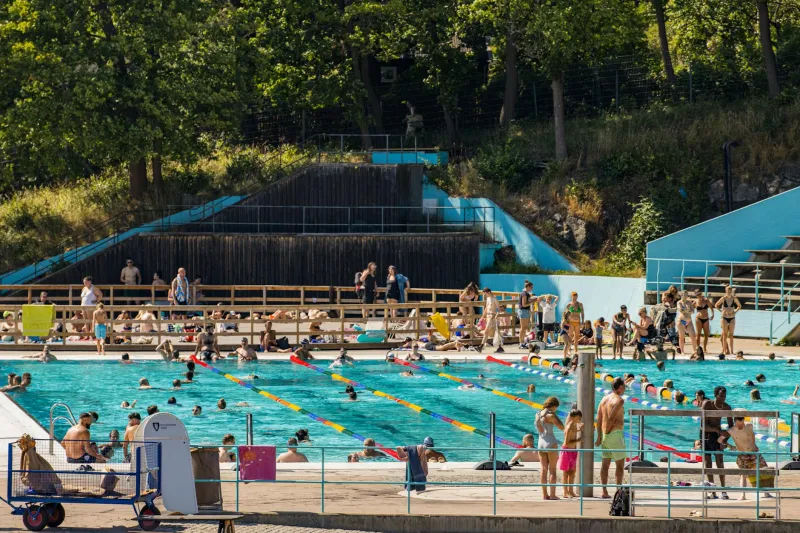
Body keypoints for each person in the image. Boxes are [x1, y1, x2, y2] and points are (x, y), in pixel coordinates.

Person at [720, 417, 774, 500]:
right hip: (742, 454)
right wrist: (730, 446)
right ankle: (743, 494)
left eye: (742, 423)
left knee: (763, 470)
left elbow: (752, 435)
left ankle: (766, 492)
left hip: (753, 453)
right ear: (735, 422)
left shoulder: (749, 426)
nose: (741, 425)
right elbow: (720, 440)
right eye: (739, 423)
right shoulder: (731, 430)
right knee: (743, 475)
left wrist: (754, 444)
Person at [700, 386, 733, 499]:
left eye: (724, 396)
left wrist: (724, 440)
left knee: (720, 462)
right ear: (715, 395)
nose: (723, 398)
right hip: (706, 434)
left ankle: (723, 490)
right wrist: (717, 430)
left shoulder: (727, 407)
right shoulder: (707, 404)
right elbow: (702, 425)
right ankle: (712, 490)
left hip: (717, 435)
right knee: (708, 462)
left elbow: (731, 427)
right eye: (721, 396)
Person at [596, 377, 626, 499]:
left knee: (605, 464)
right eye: (624, 386)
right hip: (614, 434)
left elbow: (599, 418)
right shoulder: (619, 400)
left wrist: (600, 436)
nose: (625, 389)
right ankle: (618, 492)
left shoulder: (603, 399)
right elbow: (611, 419)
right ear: (620, 387)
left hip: (604, 436)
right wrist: (608, 432)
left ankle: (604, 491)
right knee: (620, 465)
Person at [536, 396, 565, 500]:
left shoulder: (538, 414)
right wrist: (555, 415)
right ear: (554, 406)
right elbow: (562, 427)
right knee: (552, 470)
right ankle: (552, 495)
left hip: (540, 443)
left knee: (543, 469)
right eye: (556, 407)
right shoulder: (551, 415)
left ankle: (545, 495)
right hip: (550, 442)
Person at [558, 409, 583, 498]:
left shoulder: (574, 426)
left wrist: (580, 429)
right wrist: (579, 440)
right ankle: (565, 492)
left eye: (580, 417)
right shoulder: (569, 427)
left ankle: (571, 491)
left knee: (572, 472)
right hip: (567, 451)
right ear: (572, 417)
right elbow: (566, 443)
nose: (579, 419)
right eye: (578, 417)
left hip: (573, 451)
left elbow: (574, 434)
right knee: (566, 473)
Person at [715, 286, 742, 356]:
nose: (729, 292)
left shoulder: (734, 298)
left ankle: (732, 351)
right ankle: (724, 350)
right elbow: (716, 305)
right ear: (725, 291)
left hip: (732, 317)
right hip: (724, 317)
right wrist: (721, 311)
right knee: (724, 335)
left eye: (730, 291)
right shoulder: (723, 298)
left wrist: (735, 311)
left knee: (731, 335)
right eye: (728, 291)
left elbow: (739, 306)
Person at [480, 287, 503, 353]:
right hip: (488, 316)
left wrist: (496, 315)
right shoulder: (488, 298)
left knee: (486, 331)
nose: (485, 295)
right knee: (492, 332)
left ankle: (481, 346)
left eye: (486, 293)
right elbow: (486, 308)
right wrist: (483, 316)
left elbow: (499, 308)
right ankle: (499, 347)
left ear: (489, 292)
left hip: (492, 316)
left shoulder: (494, 298)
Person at [676, 290, 697, 356]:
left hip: (689, 321)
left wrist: (687, 310)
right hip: (681, 320)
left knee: (693, 335)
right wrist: (688, 310)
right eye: (684, 295)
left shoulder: (689, 302)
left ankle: (694, 350)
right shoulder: (679, 302)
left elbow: (693, 311)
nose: (685, 296)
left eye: (686, 295)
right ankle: (682, 351)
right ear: (681, 295)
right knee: (682, 336)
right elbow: (680, 310)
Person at [517, 280, 534, 346]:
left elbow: (527, 303)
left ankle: (522, 342)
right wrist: (532, 301)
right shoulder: (524, 293)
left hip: (525, 311)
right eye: (531, 287)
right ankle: (521, 343)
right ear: (528, 287)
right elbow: (524, 304)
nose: (532, 289)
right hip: (523, 311)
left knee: (525, 327)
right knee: (523, 327)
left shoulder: (527, 293)